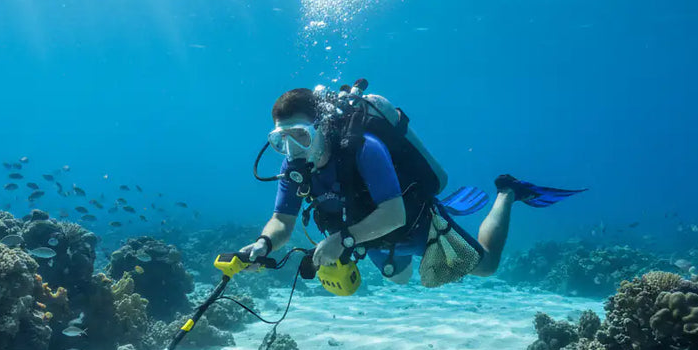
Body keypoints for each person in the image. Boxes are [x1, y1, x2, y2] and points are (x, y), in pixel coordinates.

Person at [239, 85, 583, 285]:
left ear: (323, 126)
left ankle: (507, 191)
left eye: (300, 136)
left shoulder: (364, 149)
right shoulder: (293, 166)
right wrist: (264, 244)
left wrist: (342, 239)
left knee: (488, 267)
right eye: (280, 140)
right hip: (369, 237)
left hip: (415, 225)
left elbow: (394, 214)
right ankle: (404, 250)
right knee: (399, 279)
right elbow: (282, 220)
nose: (291, 149)